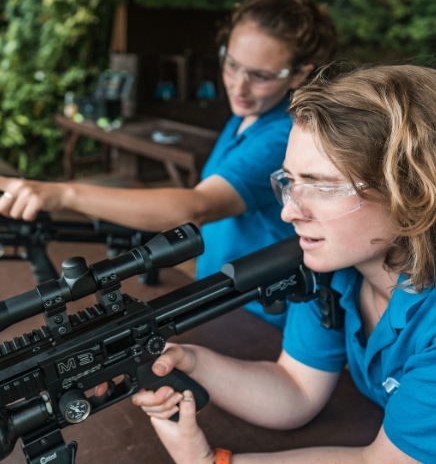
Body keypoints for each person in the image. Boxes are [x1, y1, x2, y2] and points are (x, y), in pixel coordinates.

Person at [0, 0, 336, 326]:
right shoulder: (248, 114)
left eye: (260, 76)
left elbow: (197, 206)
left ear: (299, 74)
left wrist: (65, 194)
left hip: (261, 313)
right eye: (232, 64)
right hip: (225, 295)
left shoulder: (282, 135)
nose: (238, 85)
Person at [130, 64, 436, 463]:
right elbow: (297, 389)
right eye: (289, 182)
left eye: (322, 186)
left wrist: (212, 462)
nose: (288, 212)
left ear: (413, 191)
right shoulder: (335, 274)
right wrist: (191, 359)